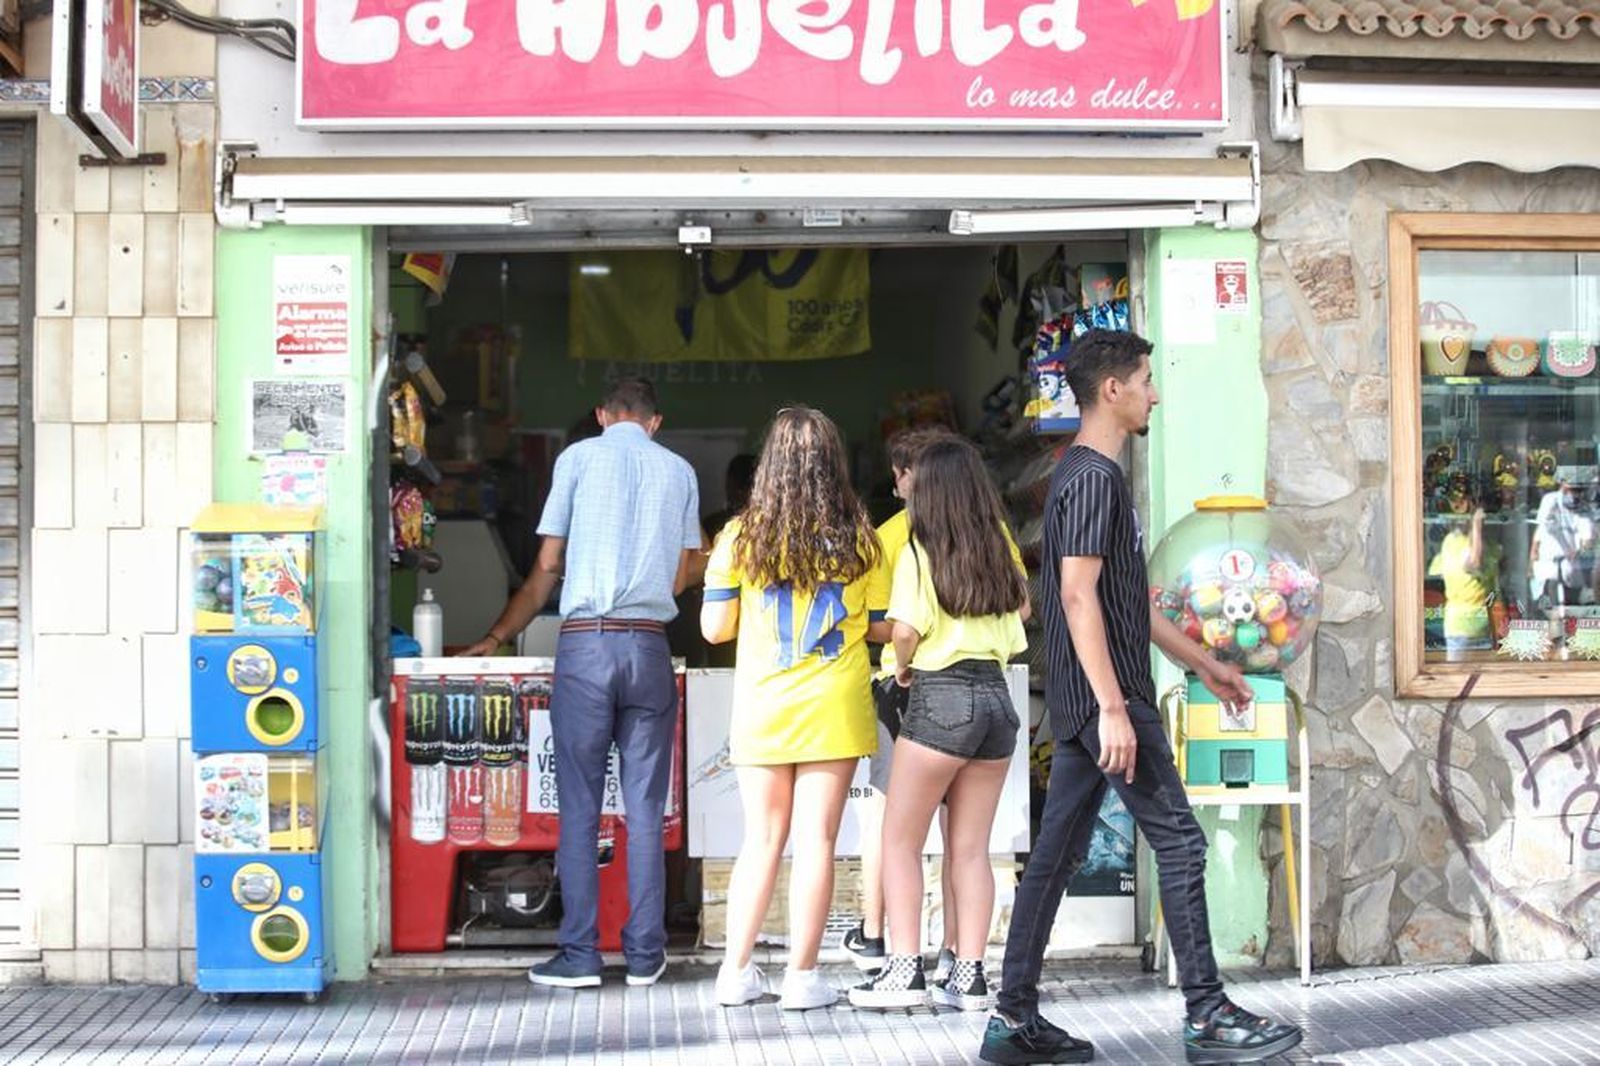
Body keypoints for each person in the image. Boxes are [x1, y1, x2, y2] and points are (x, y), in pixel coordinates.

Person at [981, 330, 1303, 1066]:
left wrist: (1206, 663)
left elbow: (1126, 602)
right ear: (1113, 391)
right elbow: (1075, 595)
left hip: (1092, 702)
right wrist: (1115, 708)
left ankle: (1012, 1021)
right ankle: (1208, 1014)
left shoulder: (1084, 477)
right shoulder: (1092, 479)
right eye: (1146, 380)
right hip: (1108, 702)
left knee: (1055, 858)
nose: (1155, 392)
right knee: (1182, 846)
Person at [462, 376, 702, 991]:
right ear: (655, 420)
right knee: (646, 809)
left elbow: (546, 565)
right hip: (649, 646)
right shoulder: (679, 471)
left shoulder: (577, 458)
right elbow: (680, 575)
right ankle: (647, 956)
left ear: (602, 414)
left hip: (587, 646)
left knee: (580, 807)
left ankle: (581, 955)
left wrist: (497, 633)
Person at [702, 406, 892, 1011]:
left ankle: (735, 973)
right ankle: (803, 979)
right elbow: (872, 625)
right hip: (834, 702)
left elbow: (712, 628)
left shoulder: (740, 537)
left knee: (761, 839)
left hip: (764, 704)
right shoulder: (862, 540)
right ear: (834, 464)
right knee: (818, 840)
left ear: (769, 466)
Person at [850, 437, 1029, 1013]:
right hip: (998, 702)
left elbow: (903, 629)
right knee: (971, 849)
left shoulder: (919, 549)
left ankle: (905, 971)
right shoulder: (999, 543)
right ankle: (970, 977)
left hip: (941, 695)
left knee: (900, 842)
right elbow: (1024, 608)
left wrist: (902, 671)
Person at [841, 426, 963, 980]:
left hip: (906, 687)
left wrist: (911, 645)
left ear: (907, 477)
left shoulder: (892, 539)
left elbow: (872, 626)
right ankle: (962, 959)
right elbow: (1022, 609)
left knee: (888, 824)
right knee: (965, 835)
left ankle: (881, 941)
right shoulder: (987, 532)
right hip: (979, 688)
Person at [1427, 503, 1501, 659]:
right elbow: (1473, 563)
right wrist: (1477, 526)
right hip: (1462, 624)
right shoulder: (1455, 542)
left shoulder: (1487, 545)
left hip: (1481, 623)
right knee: (1461, 674)